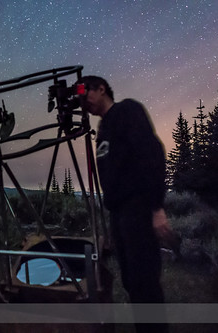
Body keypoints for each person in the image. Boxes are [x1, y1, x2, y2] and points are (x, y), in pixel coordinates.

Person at [80, 75, 173, 333]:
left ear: (102, 88)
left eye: (85, 92)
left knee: (144, 281)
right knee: (132, 282)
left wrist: (156, 207)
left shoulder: (126, 110)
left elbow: (152, 153)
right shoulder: (103, 129)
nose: (83, 100)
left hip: (138, 208)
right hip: (119, 214)